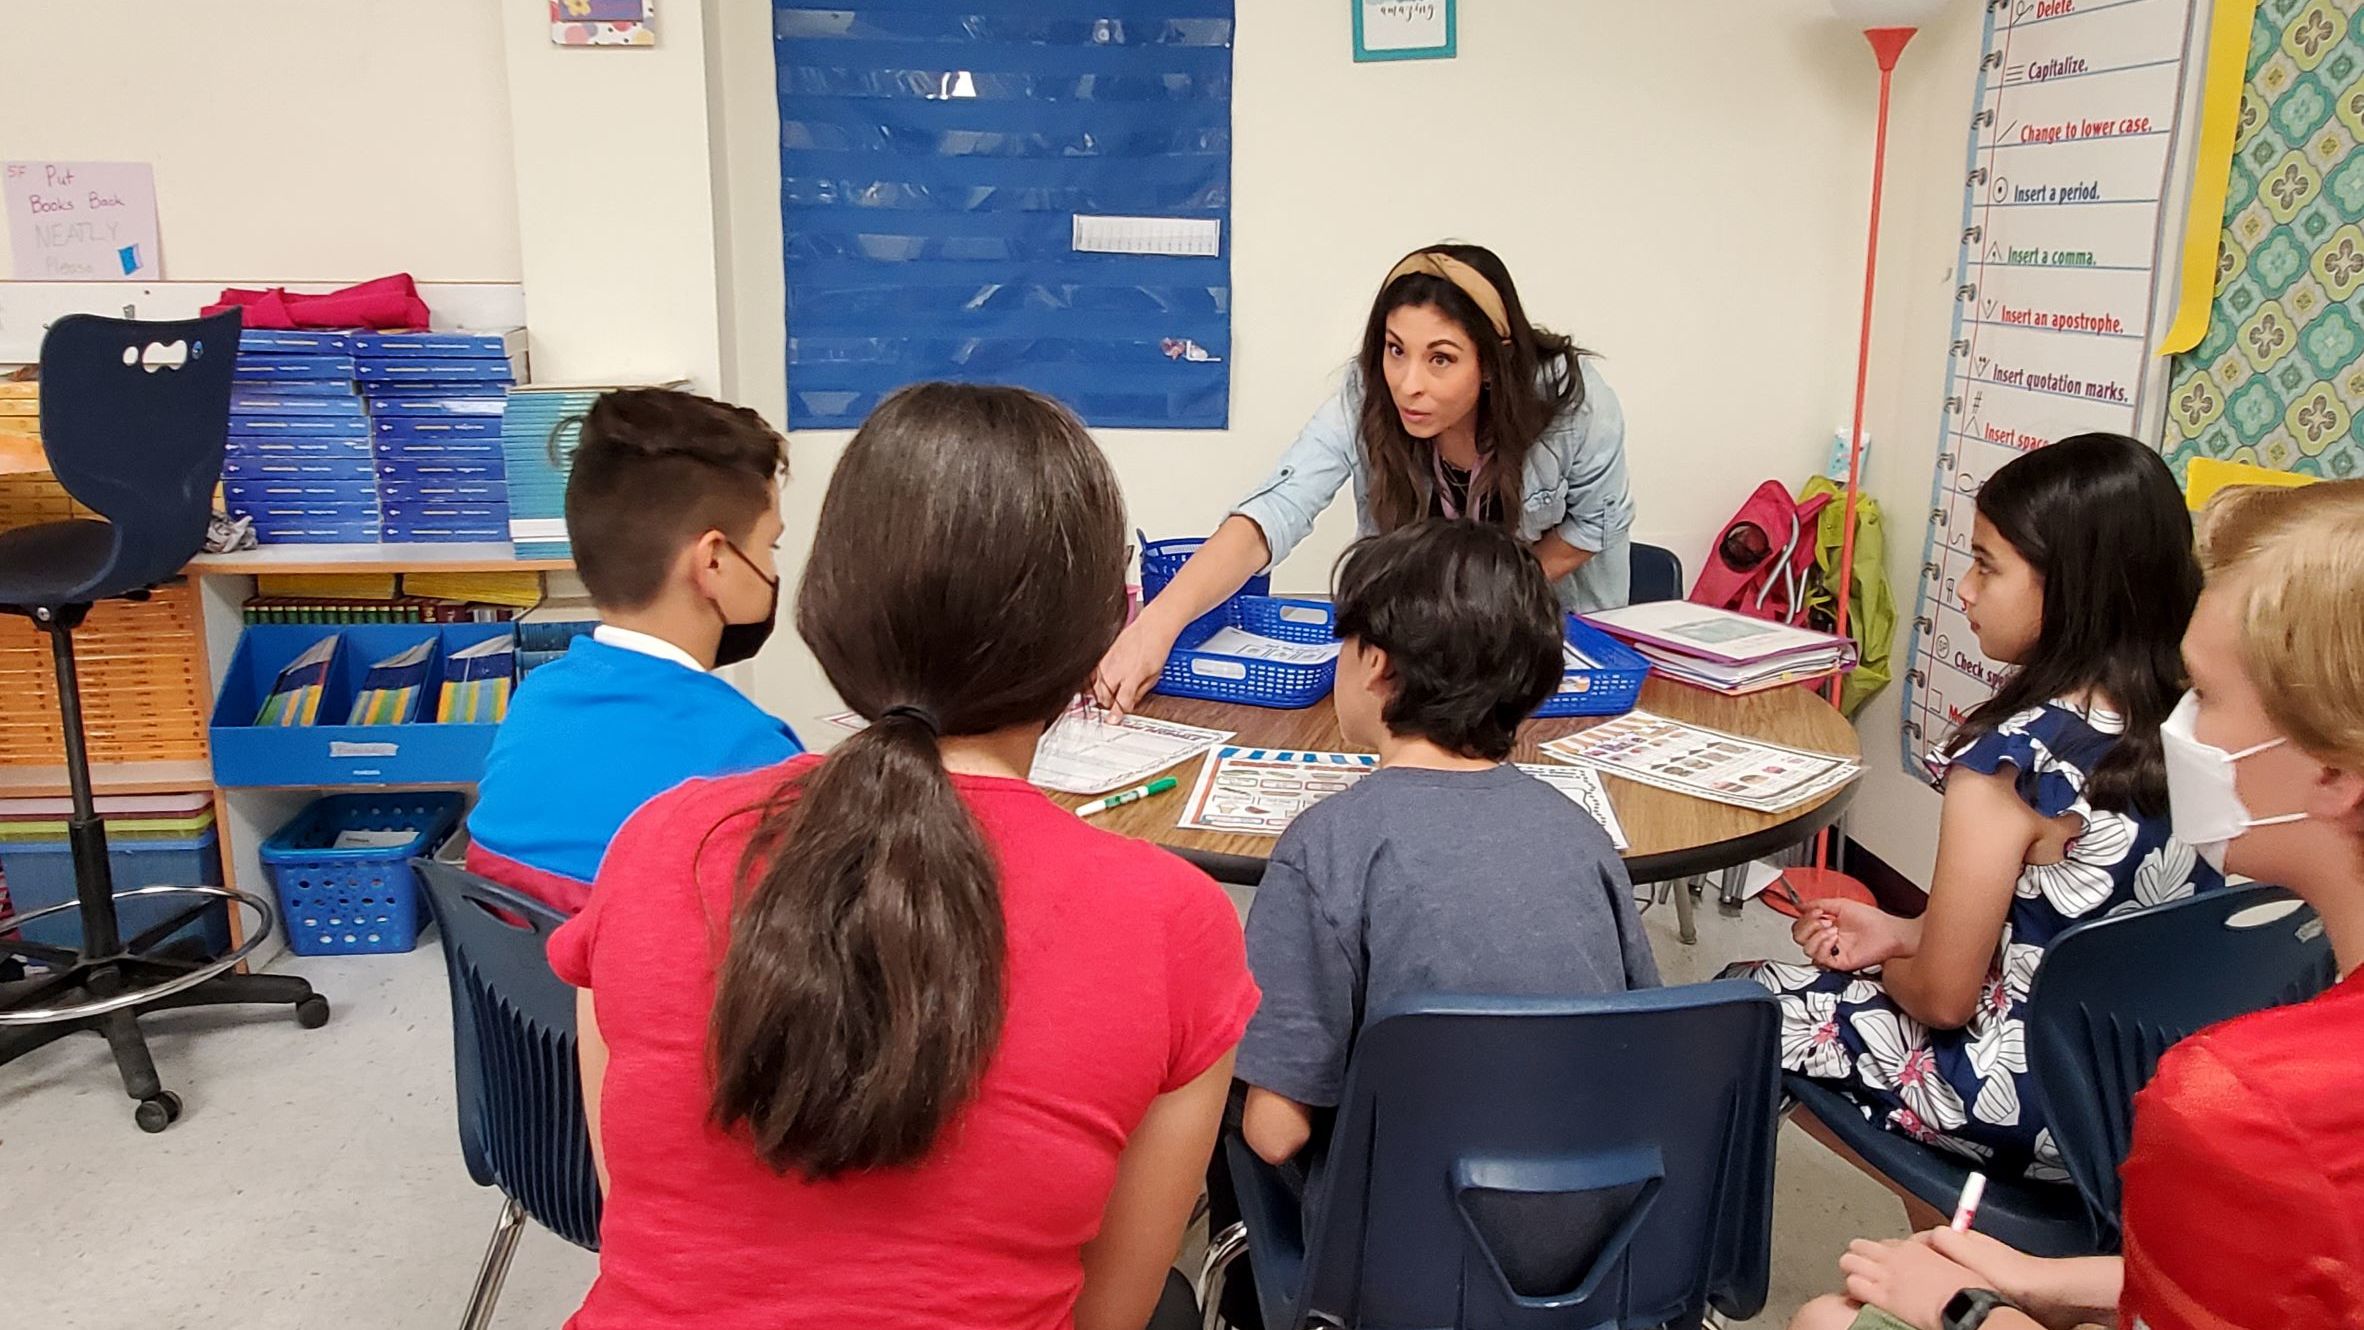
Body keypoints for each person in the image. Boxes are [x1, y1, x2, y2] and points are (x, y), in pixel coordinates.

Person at [549, 382, 1260, 1330]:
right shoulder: (1175, 923)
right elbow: (1108, 1315)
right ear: (1098, 630)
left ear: (829, 602)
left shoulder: (660, 844)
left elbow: (643, 1218)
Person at [1789, 479, 2364, 1330]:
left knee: (1824, 1318)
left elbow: (1946, 996)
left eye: (2202, 695)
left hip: (2036, 1100)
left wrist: (1972, 1313)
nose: (2182, 735)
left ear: (2334, 769)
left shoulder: (2246, 1109)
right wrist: (2034, 1280)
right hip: (2110, 1081)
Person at [1738, 435, 2219, 1190]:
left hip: (2029, 1109)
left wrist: (1901, 961)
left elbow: (1941, 997)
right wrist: (1903, 931)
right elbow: (2060, 930)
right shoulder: (2204, 725)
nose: (1962, 588)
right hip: (2158, 1096)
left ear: (2074, 587)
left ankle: (1942, 1246)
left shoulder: (2012, 764)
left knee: (1750, 999)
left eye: (1987, 565)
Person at [1236, 519, 1660, 1169]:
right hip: (1603, 1230)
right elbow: (1640, 1041)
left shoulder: (1325, 847)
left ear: (1376, 663)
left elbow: (1276, 1133)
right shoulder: (1584, 836)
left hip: (1403, 1244)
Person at [1093, 242, 1634, 715]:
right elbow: (1279, 506)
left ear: (1492, 363)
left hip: (1557, 654)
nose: (1407, 384)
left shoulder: (1574, 404)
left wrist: (1472, 615)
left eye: (1441, 359)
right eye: (1395, 350)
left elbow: (1590, 530)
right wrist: (1154, 628)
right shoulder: (1367, 392)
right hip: (1419, 657)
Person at [466, 387, 802, 913]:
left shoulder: (535, 700)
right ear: (713, 561)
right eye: (769, 546)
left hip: (523, 994)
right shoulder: (755, 759)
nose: (773, 570)